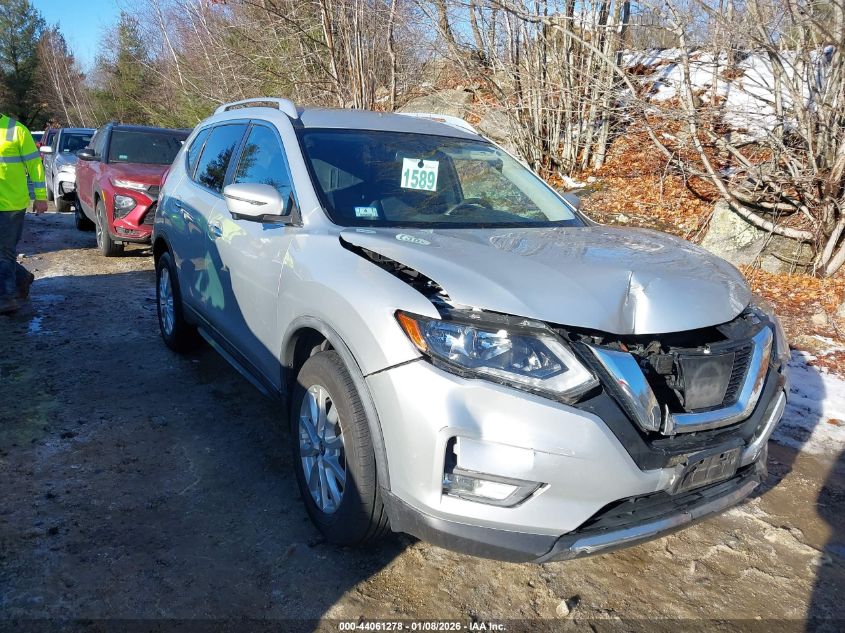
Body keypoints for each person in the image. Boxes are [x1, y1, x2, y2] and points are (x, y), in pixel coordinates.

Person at [0, 113, 47, 314]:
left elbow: (35, 165)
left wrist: (41, 196)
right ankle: (21, 277)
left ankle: (6, 298)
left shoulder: (16, 130)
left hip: (11, 203)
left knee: (4, 250)